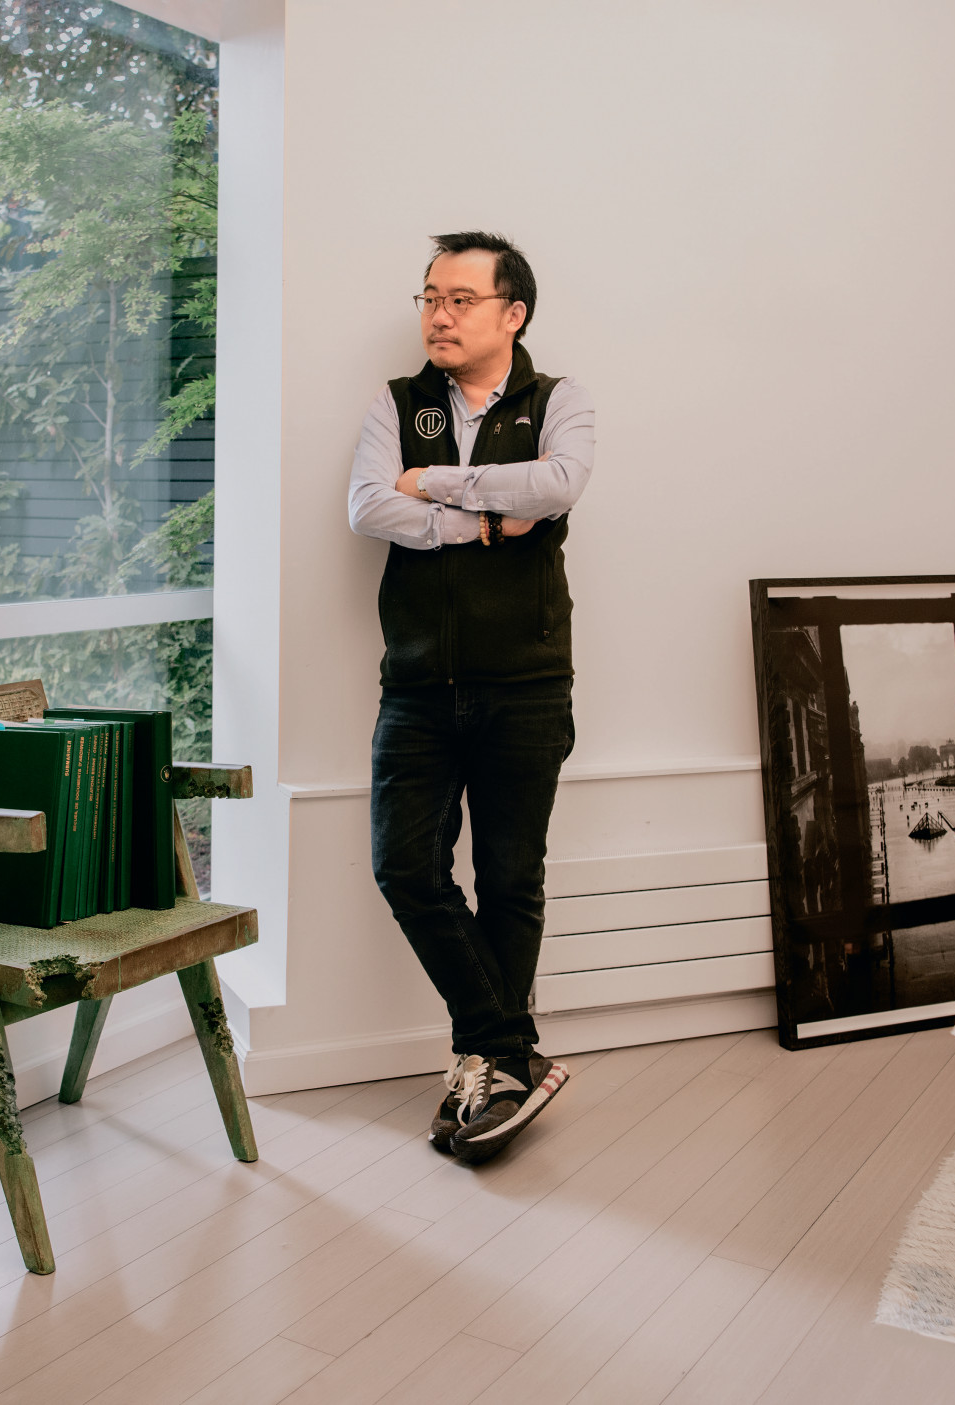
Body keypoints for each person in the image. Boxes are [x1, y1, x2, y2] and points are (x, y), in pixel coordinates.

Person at [346, 231, 596, 1164]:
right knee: (404, 869)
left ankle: (485, 1070)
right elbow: (368, 506)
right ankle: (509, 1051)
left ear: (512, 313)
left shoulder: (559, 400)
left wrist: (438, 488)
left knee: (510, 879)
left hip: (527, 684)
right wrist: (488, 523)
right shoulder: (397, 401)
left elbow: (558, 484)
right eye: (429, 298)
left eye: (459, 299)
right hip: (416, 686)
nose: (438, 316)